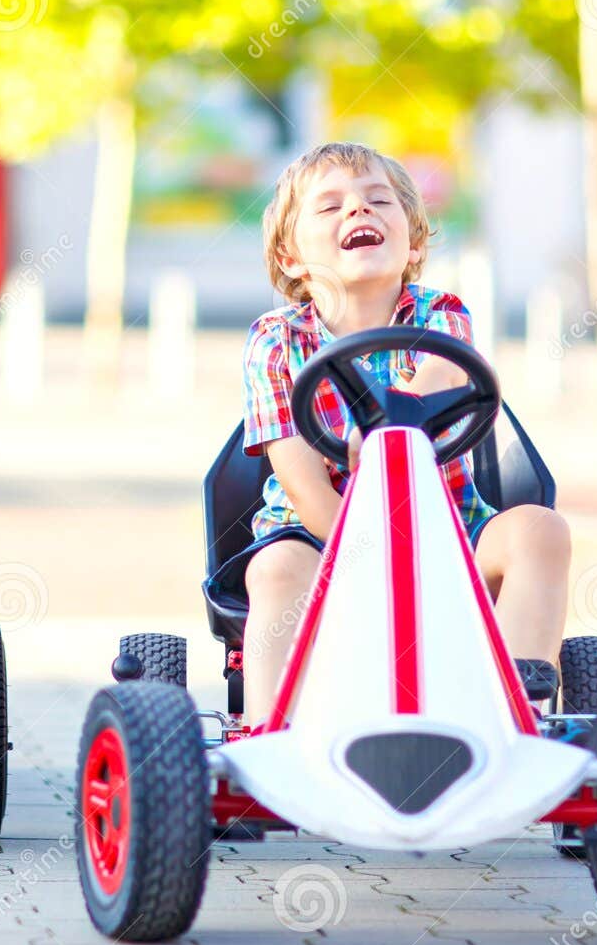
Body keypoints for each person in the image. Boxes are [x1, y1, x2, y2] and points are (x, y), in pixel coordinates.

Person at [222, 141, 571, 725]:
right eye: (330, 207)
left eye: (377, 200)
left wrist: (393, 417)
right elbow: (303, 484)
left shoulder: (441, 314)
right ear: (290, 258)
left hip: (448, 532)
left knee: (540, 530)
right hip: (321, 537)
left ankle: (512, 714)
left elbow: (444, 371)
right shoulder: (276, 341)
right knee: (275, 571)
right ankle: (267, 740)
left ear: (413, 242)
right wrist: (366, 555)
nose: (358, 211)